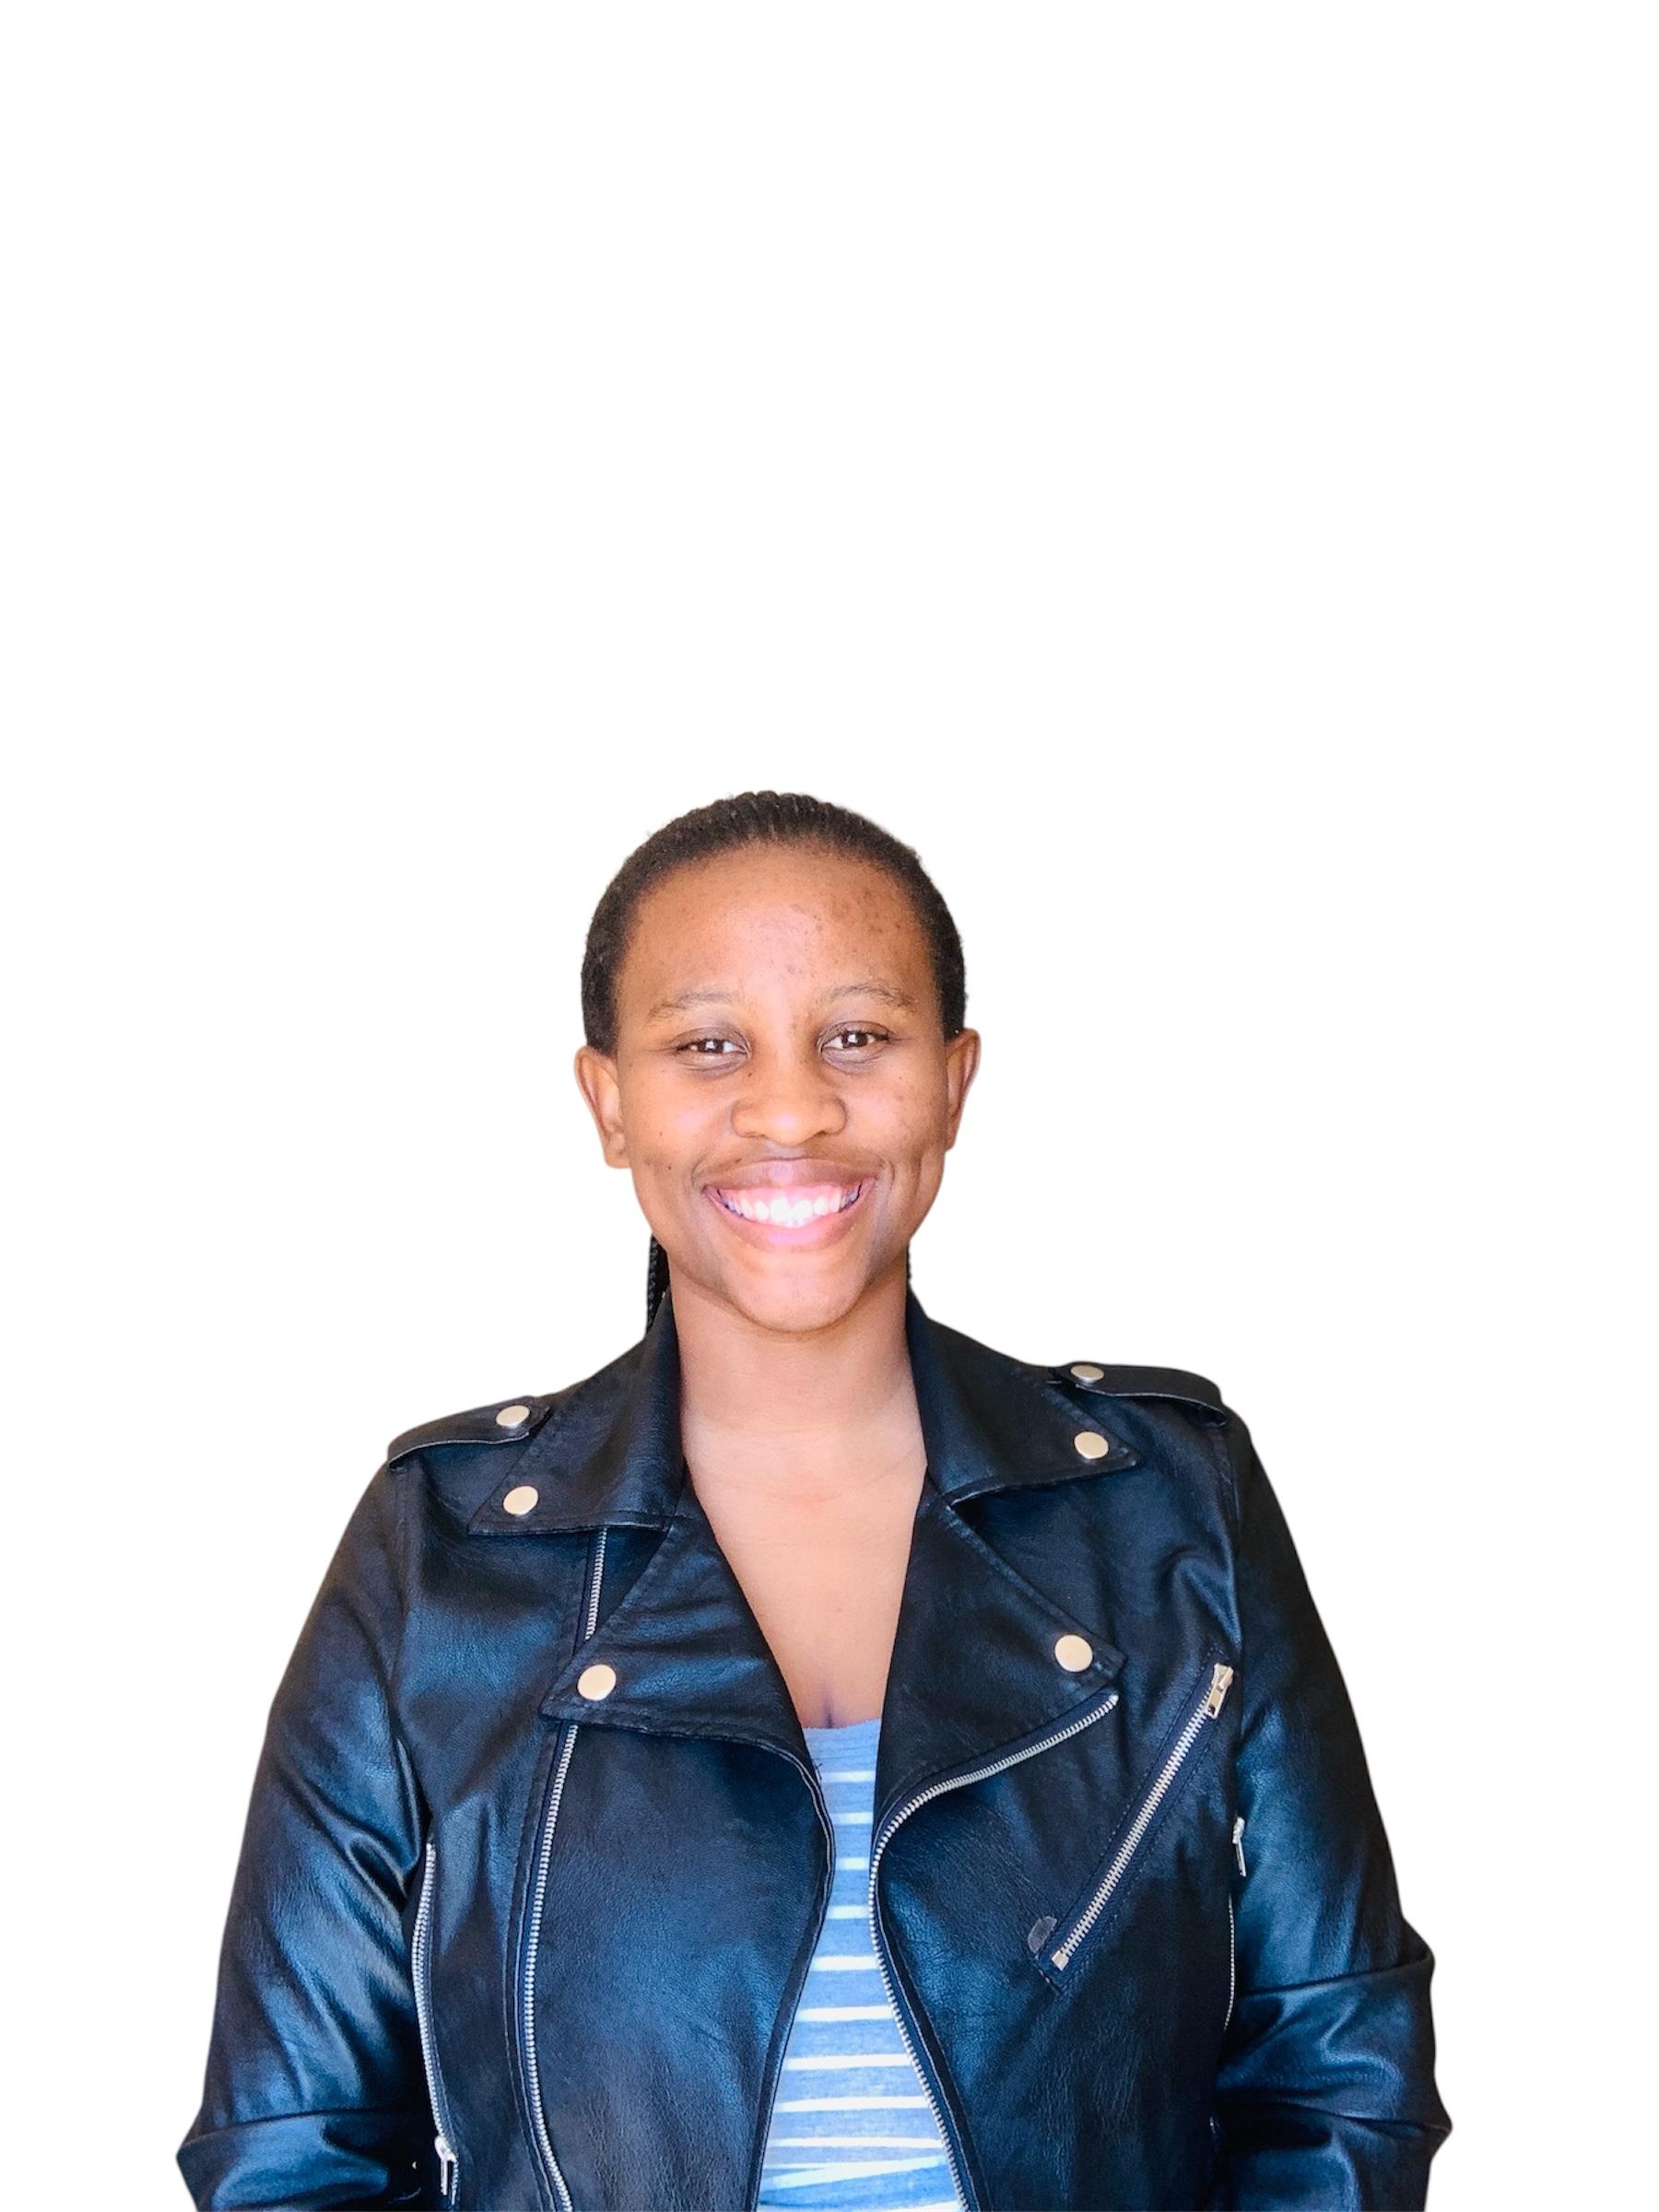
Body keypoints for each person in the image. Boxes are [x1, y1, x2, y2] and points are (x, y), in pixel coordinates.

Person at [178, 790, 1453, 2210]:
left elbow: (1341, 2071)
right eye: (706, 1045)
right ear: (609, 1100)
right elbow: (291, 2150)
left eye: (857, 1037)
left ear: (955, 1080)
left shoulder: (1171, 1508)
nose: (790, 1109)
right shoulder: (443, 1553)